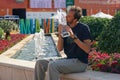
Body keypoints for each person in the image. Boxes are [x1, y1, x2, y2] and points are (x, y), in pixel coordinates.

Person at [34, 6, 92, 80]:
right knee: (40, 63)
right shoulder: (66, 28)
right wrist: (61, 34)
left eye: (69, 16)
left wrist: (73, 36)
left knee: (53, 65)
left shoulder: (83, 28)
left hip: (80, 62)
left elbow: (87, 49)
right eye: (67, 15)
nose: (66, 17)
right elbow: (59, 49)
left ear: (75, 19)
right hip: (68, 59)